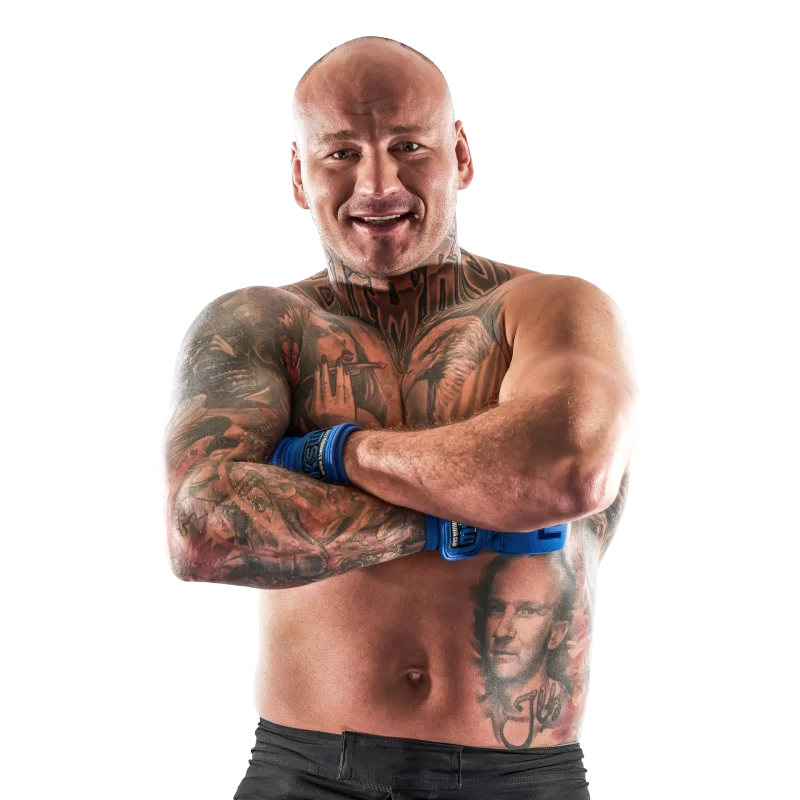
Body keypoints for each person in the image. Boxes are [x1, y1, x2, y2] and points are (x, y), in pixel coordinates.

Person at [165, 34, 637, 800]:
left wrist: (333, 454)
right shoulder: (258, 325)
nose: (378, 184)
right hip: (307, 772)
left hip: (522, 778)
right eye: (341, 153)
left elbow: (568, 471)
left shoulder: (553, 308)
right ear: (300, 175)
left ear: (461, 154)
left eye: (408, 146)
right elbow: (204, 530)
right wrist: (480, 517)